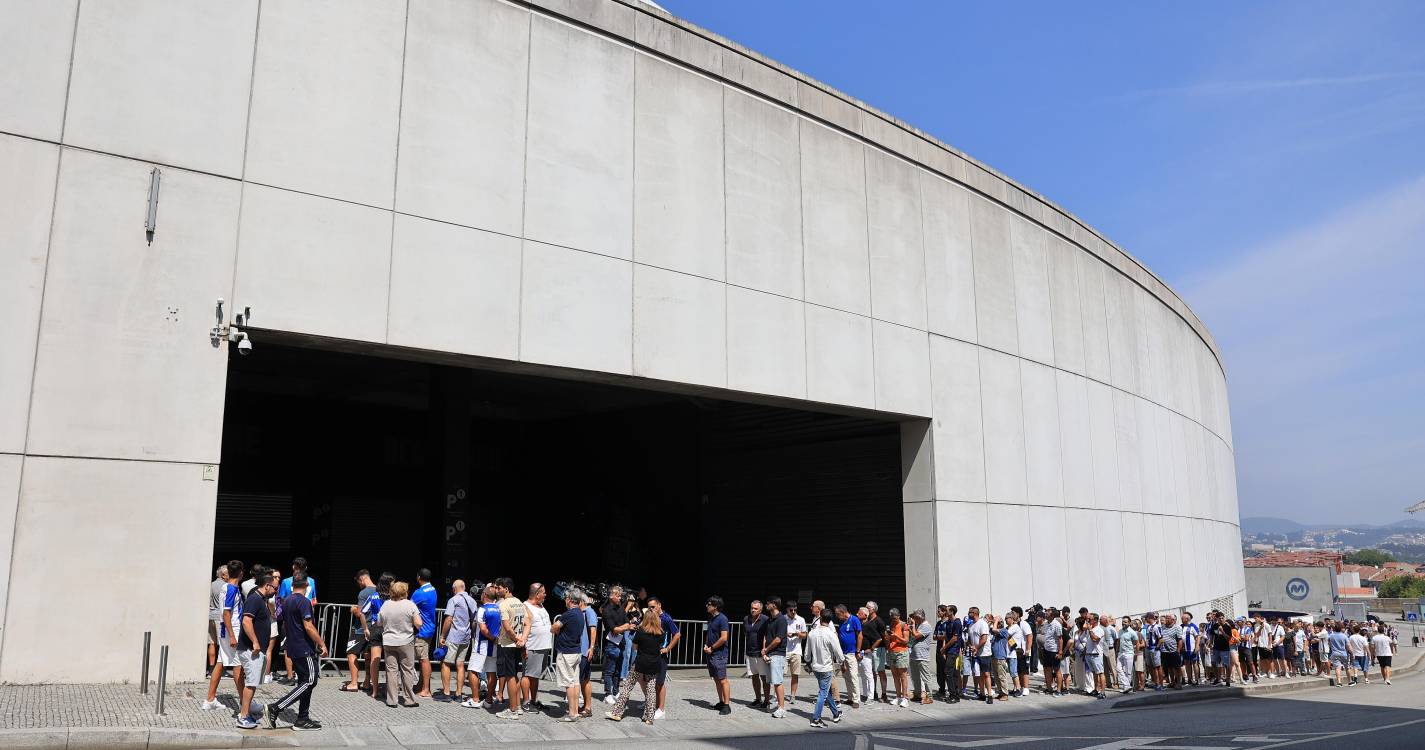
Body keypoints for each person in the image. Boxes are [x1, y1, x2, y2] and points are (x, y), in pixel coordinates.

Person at [268, 574, 326, 731]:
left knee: (304, 682)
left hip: (292, 647)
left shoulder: (287, 602)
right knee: (310, 681)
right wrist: (321, 643)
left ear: (292, 585)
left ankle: (302, 719)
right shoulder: (304, 602)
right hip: (303, 647)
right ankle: (277, 707)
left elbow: (279, 616)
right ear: (307, 585)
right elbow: (308, 626)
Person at [235, 567, 277, 729]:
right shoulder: (254, 599)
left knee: (252, 683)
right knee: (251, 683)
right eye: (274, 588)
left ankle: (246, 712)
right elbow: (246, 621)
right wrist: (255, 642)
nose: (275, 591)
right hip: (251, 649)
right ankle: (243, 716)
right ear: (267, 585)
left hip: (256, 649)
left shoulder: (261, 600)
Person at [605, 610, 663, 725]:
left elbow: (635, 647)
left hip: (640, 663)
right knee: (651, 690)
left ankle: (617, 713)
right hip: (654, 663)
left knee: (628, 687)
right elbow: (659, 647)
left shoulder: (641, 632)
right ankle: (649, 717)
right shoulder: (660, 633)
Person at [203, 560, 245, 711]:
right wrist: (233, 636)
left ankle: (210, 699)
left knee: (220, 663)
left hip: (227, 631)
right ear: (240, 573)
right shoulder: (231, 589)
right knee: (238, 666)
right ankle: (244, 702)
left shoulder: (226, 587)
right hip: (231, 631)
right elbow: (227, 613)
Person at [377, 581, 423, 708]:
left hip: (389, 641)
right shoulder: (410, 605)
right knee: (407, 670)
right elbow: (418, 623)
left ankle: (392, 700)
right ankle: (409, 700)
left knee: (391, 671)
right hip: (405, 641)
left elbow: (379, 622)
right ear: (405, 592)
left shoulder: (386, 605)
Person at [436, 579, 477, 702]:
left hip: (453, 637)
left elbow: (448, 619)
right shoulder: (472, 601)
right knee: (460, 665)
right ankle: (459, 694)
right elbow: (474, 621)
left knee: (446, 663)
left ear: (454, 589)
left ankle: (447, 693)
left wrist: (442, 636)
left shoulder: (453, 600)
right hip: (466, 637)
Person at [278, 557, 317, 685]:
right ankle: (304, 672)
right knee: (307, 644)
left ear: (294, 567)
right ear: (306, 568)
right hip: (307, 616)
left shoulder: (286, 581)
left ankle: (290, 676)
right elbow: (314, 601)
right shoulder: (311, 581)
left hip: (290, 618)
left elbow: (282, 599)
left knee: (288, 646)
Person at [463, 582, 502, 708]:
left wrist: (492, 638)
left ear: (484, 595)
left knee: (473, 670)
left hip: (482, 645)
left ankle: (475, 700)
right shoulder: (498, 608)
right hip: (494, 646)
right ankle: (489, 700)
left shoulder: (482, 609)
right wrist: (496, 639)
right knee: (491, 672)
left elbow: (483, 629)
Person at [495, 577, 529, 719]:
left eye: (499, 588)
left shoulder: (504, 604)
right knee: (514, 675)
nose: (496, 590)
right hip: (517, 644)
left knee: (510, 677)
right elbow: (528, 622)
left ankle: (513, 710)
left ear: (506, 589)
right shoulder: (520, 603)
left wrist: (516, 639)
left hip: (507, 644)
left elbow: (507, 627)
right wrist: (523, 640)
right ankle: (518, 706)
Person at [805, 608, 844, 728]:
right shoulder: (831, 634)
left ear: (820, 618)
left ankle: (836, 713)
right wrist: (842, 662)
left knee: (826, 692)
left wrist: (808, 662)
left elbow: (807, 654)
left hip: (816, 667)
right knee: (823, 693)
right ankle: (816, 719)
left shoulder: (812, 633)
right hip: (826, 668)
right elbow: (839, 653)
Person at [551, 589, 586, 721]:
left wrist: (556, 629)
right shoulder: (580, 613)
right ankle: (575, 711)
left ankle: (572, 713)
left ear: (570, 600)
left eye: (566, 598)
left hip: (566, 653)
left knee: (569, 683)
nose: (565, 600)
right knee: (575, 682)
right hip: (576, 651)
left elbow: (554, 627)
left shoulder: (568, 614)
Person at [647, 596, 681, 719]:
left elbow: (677, 634)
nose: (651, 609)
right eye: (649, 607)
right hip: (650, 653)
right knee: (650, 681)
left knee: (660, 682)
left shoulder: (666, 618)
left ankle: (661, 709)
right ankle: (652, 704)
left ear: (659, 605)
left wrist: (667, 648)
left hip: (661, 654)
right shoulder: (650, 616)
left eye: (653, 606)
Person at [343, 570, 376, 693]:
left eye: (358, 582)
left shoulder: (363, 593)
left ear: (361, 579)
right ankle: (367, 682)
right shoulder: (379, 591)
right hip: (374, 628)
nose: (359, 585)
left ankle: (353, 683)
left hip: (360, 629)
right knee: (368, 655)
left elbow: (360, 613)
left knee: (351, 653)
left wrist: (353, 609)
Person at [522, 583, 553, 712]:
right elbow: (522, 628)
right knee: (528, 675)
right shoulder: (526, 606)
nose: (545, 595)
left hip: (543, 646)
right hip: (533, 646)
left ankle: (534, 700)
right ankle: (526, 702)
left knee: (535, 676)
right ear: (536, 594)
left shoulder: (540, 605)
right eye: (543, 592)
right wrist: (524, 647)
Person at [362, 574, 393, 699]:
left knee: (375, 660)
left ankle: (374, 690)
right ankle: (389, 689)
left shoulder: (373, 596)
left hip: (375, 628)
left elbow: (362, 612)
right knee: (390, 660)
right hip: (389, 629)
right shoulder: (393, 597)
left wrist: (365, 629)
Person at [601, 586, 632, 703]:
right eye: (618, 596)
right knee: (609, 670)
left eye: (620, 596)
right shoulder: (606, 610)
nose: (620, 598)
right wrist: (623, 627)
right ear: (611, 596)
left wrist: (623, 627)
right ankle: (607, 694)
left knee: (618, 670)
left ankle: (616, 691)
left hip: (621, 642)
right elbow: (614, 629)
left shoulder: (620, 608)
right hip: (611, 643)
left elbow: (627, 623)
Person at [703, 595, 732, 715]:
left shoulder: (722, 619)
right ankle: (721, 701)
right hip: (711, 653)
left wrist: (712, 647)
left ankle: (726, 705)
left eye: (709, 604)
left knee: (723, 679)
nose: (707, 606)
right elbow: (709, 634)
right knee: (716, 679)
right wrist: (706, 645)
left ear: (715, 606)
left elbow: (724, 637)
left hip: (719, 654)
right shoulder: (711, 619)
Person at [412, 570, 439, 699]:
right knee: (424, 657)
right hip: (430, 627)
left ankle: (426, 689)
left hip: (422, 630)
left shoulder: (419, 593)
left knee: (423, 659)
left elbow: (409, 607)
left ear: (419, 577)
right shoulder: (433, 589)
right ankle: (420, 685)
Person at [761, 597, 789, 718]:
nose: (766, 605)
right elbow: (766, 636)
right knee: (771, 681)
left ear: (774, 605)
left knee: (778, 682)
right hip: (769, 654)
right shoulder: (769, 620)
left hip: (778, 653)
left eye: (768, 603)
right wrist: (764, 651)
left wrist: (766, 650)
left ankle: (782, 708)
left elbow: (778, 639)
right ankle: (776, 704)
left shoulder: (781, 620)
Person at [835, 604, 863, 707]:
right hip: (843, 653)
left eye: (838, 614)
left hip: (851, 653)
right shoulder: (842, 622)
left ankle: (856, 700)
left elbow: (859, 636)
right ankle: (850, 697)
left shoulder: (854, 620)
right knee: (846, 675)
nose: (837, 616)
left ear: (843, 612)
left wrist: (858, 651)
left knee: (853, 675)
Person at [576, 591, 599, 718]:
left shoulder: (589, 612)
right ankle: (584, 706)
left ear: (581, 601)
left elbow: (593, 629)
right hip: (579, 650)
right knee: (582, 680)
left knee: (585, 680)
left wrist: (591, 648)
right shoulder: (581, 612)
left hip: (585, 650)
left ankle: (588, 707)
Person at [744, 600, 769, 708]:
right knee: (754, 677)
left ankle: (767, 700)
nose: (753, 610)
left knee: (764, 678)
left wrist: (765, 650)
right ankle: (758, 699)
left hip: (760, 653)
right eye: (752, 608)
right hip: (750, 653)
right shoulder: (746, 619)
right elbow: (746, 633)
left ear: (761, 610)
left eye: (755, 608)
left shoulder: (765, 620)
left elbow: (767, 636)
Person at [885, 608, 911, 706]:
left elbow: (906, 640)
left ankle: (905, 698)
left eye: (895, 618)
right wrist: (887, 637)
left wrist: (896, 636)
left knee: (903, 676)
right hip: (892, 651)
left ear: (899, 616)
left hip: (901, 652)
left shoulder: (904, 625)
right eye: (892, 618)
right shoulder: (891, 625)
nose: (893, 620)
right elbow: (889, 640)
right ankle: (898, 696)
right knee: (895, 676)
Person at [968, 606, 993, 705]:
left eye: (970, 612)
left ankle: (989, 695)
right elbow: (970, 639)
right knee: (978, 674)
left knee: (986, 674)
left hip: (984, 653)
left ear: (975, 613)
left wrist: (976, 648)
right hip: (975, 653)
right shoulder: (971, 625)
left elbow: (984, 638)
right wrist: (970, 646)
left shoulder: (982, 623)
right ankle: (982, 694)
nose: (968, 613)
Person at [864, 601, 889, 703]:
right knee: (872, 672)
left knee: (880, 671)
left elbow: (885, 636)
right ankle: (873, 692)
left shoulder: (879, 621)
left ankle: (884, 694)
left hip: (879, 649)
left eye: (868, 608)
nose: (866, 610)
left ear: (873, 609)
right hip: (871, 649)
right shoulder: (868, 620)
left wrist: (887, 648)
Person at [908, 610, 935, 704]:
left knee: (926, 677)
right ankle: (917, 694)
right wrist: (911, 626)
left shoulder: (926, 626)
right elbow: (912, 636)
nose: (913, 619)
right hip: (914, 655)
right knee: (915, 677)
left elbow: (915, 635)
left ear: (920, 617)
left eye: (915, 617)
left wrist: (913, 625)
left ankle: (929, 697)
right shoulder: (919, 625)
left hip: (922, 656)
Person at [208, 565, 229, 678]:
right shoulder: (225, 586)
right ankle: (222, 669)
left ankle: (211, 670)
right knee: (222, 644)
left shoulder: (211, 584)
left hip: (210, 616)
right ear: (223, 575)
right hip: (219, 617)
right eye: (228, 573)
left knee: (212, 643)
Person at [784, 601, 807, 703]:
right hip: (784, 650)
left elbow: (805, 635)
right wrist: (785, 634)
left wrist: (797, 634)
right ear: (787, 610)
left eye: (795, 610)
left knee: (795, 674)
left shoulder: (801, 620)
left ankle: (793, 696)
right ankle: (777, 695)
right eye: (791, 610)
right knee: (780, 673)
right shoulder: (783, 619)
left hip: (796, 650)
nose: (793, 612)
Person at [1038, 607, 1062, 696]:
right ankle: (1049, 688)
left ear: (1052, 614)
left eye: (1048, 611)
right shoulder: (1047, 623)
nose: (1046, 612)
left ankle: (1059, 690)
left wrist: (1060, 652)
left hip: (1054, 650)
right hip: (1046, 650)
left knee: (1057, 670)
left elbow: (1060, 639)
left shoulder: (1057, 624)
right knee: (1047, 669)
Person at [988, 613, 1012, 701]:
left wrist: (997, 620)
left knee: (1002, 676)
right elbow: (987, 630)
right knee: (996, 676)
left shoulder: (1004, 631)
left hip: (1000, 657)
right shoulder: (995, 631)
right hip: (994, 657)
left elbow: (994, 629)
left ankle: (1005, 694)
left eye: (997, 622)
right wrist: (991, 621)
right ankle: (1000, 692)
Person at [942, 605, 963, 703]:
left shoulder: (957, 622)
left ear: (952, 611)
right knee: (953, 673)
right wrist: (944, 649)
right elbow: (946, 637)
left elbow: (954, 638)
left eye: (947, 610)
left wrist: (944, 648)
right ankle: (955, 694)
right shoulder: (948, 622)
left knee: (948, 672)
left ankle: (953, 695)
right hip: (949, 651)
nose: (945, 612)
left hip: (953, 651)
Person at [1159, 614, 1183, 691]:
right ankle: (1172, 682)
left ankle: (1178, 683)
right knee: (1169, 667)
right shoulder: (1162, 627)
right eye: (1166, 618)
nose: (1166, 619)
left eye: (1168, 618)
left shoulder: (1177, 627)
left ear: (1173, 620)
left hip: (1174, 651)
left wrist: (1178, 650)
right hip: (1165, 651)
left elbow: (1180, 640)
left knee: (1177, 667)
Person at [932, 606, 951, 699]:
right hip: (938, 648)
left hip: (946, 649)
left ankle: (951, 690)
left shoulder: (948, 623)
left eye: (939, 611)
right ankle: (941, 689)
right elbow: (934, 637)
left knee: (946, 670)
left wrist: (940, 636)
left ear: (944, 612)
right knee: (939, 670)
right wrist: (941, 636)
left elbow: (947, 636)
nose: (937, 613)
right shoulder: (939, 623)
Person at [1117, 616, 1139, 693]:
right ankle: (1127, 686)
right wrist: (1117, 651)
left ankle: (1126, 688)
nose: (1123, 623)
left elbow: (1137, 643)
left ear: (1129, 623)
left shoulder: (1132, 632)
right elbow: (1118, 642)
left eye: (1125, 622)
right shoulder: (1120, 631)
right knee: (1118, 669)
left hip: (1129, 653)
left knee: (1128, 672)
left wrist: (1136, 653)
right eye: (1123, 621)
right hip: (1120, 653)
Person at [1327, 622, 1349, 687]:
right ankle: (1349, 681)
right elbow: (1348, 645)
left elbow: (1329, 644)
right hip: (1343, 653)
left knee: (1337, 668)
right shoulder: (1344, 636)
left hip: (1335, 653)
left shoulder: (1331, 636)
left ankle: (1339, 682)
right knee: (1347, 667)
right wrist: (1351, 651)